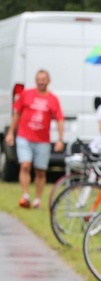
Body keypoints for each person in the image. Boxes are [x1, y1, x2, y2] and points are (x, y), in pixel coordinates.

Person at [5, 69, 64, 209]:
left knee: (40, 170)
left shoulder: (52, 99)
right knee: (25, 165)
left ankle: (37, 199)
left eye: (44, 79)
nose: (41, 81)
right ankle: (25, 196)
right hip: (24, 136)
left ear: (48, 81)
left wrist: (60, 139)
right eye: (39, 79)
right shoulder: (27, 94)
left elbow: (60, 119)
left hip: (42, 140)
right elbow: (17, 114)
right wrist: (10, 133)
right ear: (35, 80)